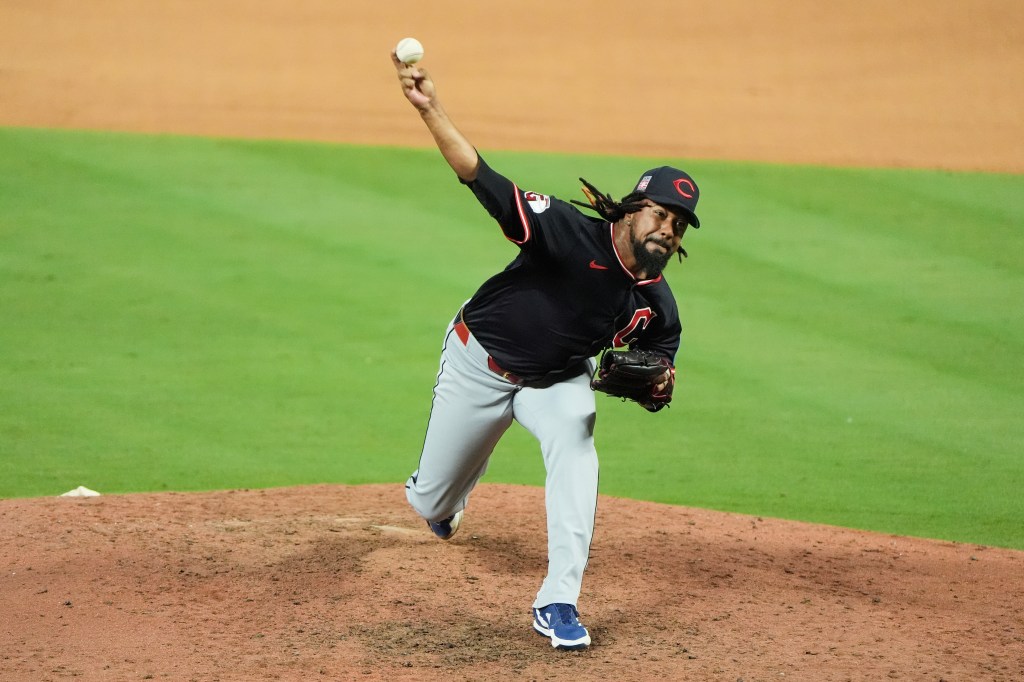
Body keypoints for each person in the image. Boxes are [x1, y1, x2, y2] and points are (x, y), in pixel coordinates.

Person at [392, 48, 701, 651]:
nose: (668, 229)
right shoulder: (564, 230)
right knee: (430, 500)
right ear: (635, 211)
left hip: (555, 381)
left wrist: (661, 382)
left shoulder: (656, 304)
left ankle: (558, 600)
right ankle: (450, 496)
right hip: (478, 363)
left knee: (577, 433)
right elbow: (479, 175)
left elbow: (662, 362)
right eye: (660, 214)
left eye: (680, 223)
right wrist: (431, 109)